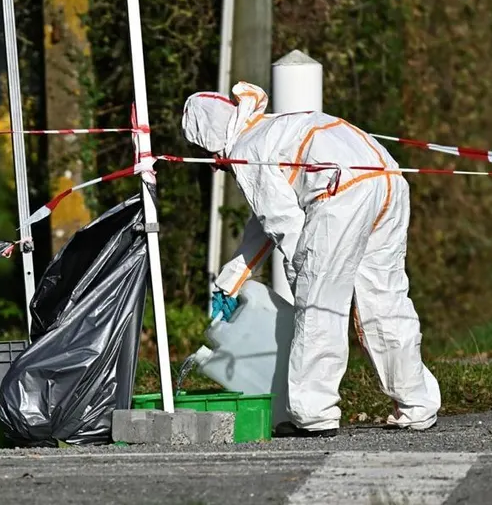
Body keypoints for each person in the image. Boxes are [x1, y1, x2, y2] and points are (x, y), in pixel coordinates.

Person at [182, 81, 441, 437]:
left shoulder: (245, 150)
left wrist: (302, 275)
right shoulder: (270, 129)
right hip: (388, 180)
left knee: (319, 305)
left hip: (341, 193)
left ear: (210, 142)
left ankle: (312, 413)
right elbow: (263, 220)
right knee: (386, 299)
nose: (216, 166)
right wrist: (231, 280)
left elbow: (283, 223)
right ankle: (418, 404)